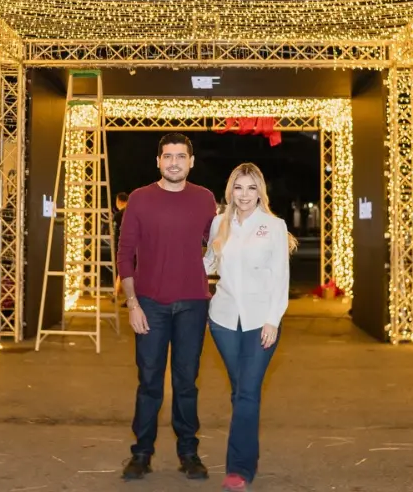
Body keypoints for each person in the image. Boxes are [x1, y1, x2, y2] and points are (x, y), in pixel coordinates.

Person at [117, 134, 218, 481]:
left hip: (193, 305)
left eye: (181, 156)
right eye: (167, 156)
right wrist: (132, 304)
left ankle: (188, 452)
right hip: (150, 305)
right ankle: (141, 453)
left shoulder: (205, 199)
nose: (174, 162)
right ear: (157, 161)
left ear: (191, 161)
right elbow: (124, 254)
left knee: (186, 382)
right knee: (149, 382)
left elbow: (219, 245)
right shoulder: (140, 200)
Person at [203, 163, 291, 491]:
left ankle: (238, 470)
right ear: (230, 191)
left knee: (247, 393)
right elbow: (209, 264)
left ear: (260, 192)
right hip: (223, 320)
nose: (244, 195)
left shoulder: (274, 225)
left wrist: (273, 319)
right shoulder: (218, 224)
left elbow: (281, 277)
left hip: (260, 323)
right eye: (238, 188)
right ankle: (248, 456)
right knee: (242, 393)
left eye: (251, 188)